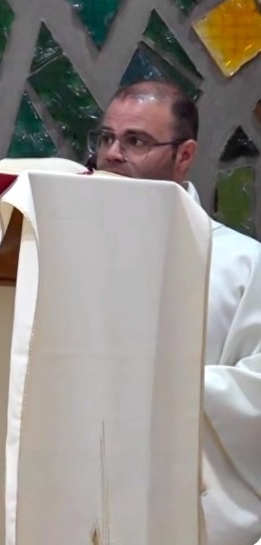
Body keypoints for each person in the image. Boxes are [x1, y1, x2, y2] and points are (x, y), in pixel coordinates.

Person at [93, 80, 261, 545]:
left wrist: (161, 384)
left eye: (136, 141)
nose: (112, 154)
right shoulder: (60, 251)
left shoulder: (243, 266)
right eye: (106, 138)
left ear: (184, 155)